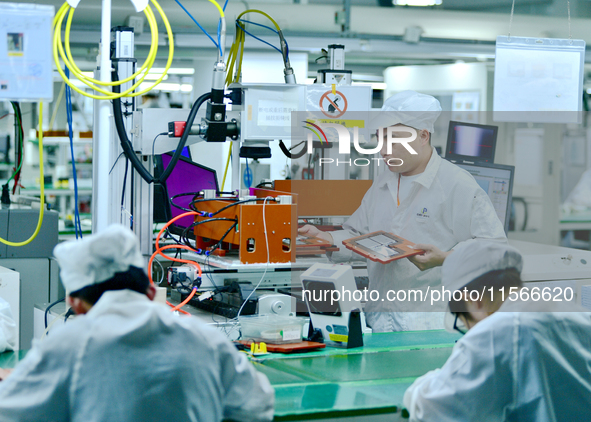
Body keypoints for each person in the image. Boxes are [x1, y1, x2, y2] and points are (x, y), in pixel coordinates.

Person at [0, 225, 274, 422]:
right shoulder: (206, 339)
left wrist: (30, 379)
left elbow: (11, 411)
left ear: (74, 303)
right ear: (152, 292)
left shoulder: (68, 347)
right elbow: (258, 405)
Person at [299, 90, 506, 332]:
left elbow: (495, 252)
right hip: (380, 319)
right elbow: (360, 234)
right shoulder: (384, 181)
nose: (383, 150)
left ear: (423, 136)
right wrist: (325, 238)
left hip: (429, 325)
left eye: (394, 140)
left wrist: (445, 258)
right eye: (380, 139)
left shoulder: (456, 183)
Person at [403, 240, 591, 421]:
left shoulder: (497, 332)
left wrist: (428, 381)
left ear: (474, 302)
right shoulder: (575, 313)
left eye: (464, 323)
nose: (470, 331)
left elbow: (431, 409)